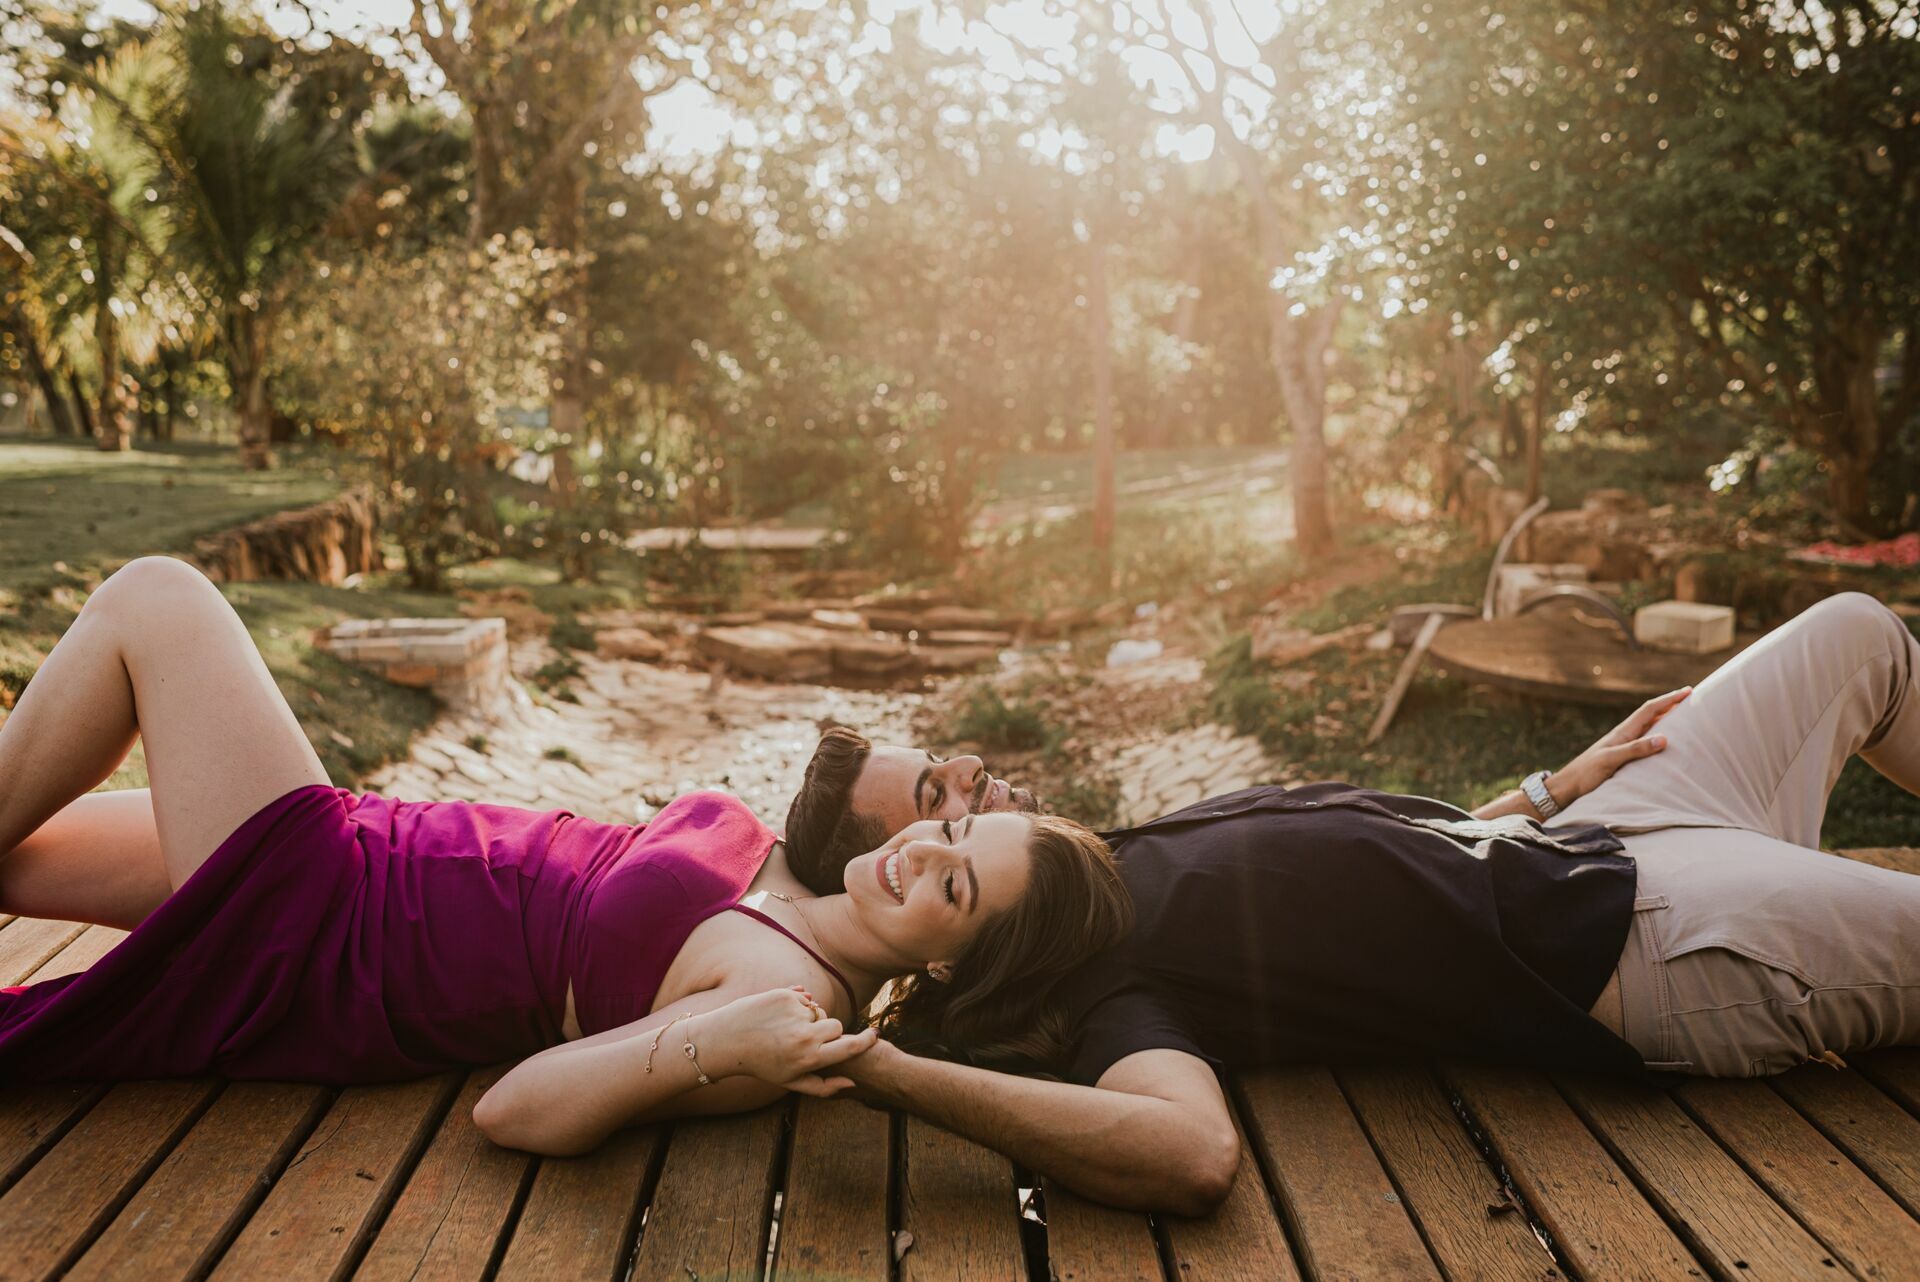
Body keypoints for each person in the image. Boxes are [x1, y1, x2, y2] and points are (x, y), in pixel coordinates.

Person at [782, 591, 1920, 1214]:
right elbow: (1189, 1152)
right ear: (951, 946)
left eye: (954, 813)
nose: (961, 795)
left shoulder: (1084, 856)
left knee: (1860, 636)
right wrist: (890, 1072)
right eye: (931, 828)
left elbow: (1369, 870)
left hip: (1594, 834)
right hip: (1658, 939)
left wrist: (1545, 789)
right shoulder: (1110, 982)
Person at [0, 557, 1132, 1157]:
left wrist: (709, 1043)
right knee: (20, 854)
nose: (922, 851)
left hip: (336, 934)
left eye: (956, 884)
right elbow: (852, 790)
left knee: (160, 600)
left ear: (951, 966)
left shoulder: (783, 1008)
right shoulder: (809, 877)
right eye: (946, 826)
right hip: (372, 844)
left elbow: (514, 1110)